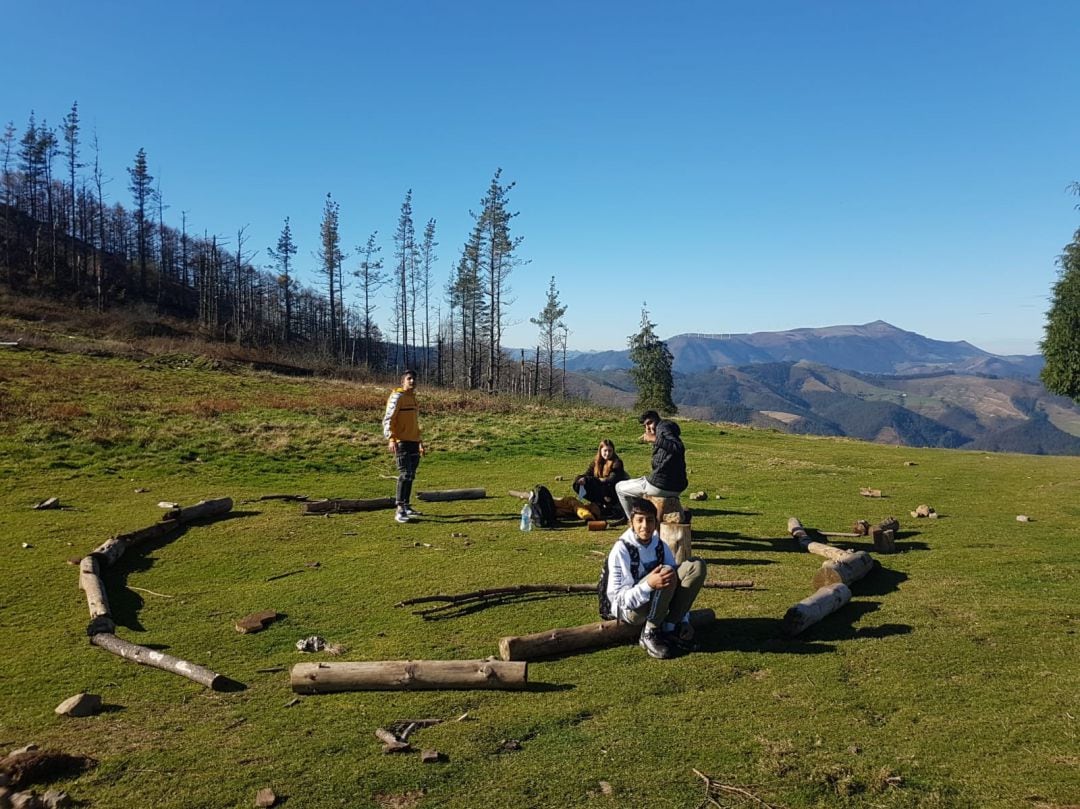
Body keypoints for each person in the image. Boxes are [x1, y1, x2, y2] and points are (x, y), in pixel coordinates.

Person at [600, 498, 706, 659]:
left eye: (649, 520)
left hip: (658, 601)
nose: (645, 526)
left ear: (655, 522)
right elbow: (618, 600)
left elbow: (676, 581)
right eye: (639, 521)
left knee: (696, 566)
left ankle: (672, 627)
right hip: (631, 611)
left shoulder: (659, 544)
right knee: (665, 572)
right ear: (631, 523)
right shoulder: (621, 550)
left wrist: (684, 618)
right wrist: (648, 585)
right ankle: (650, 632)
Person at [614, 410, 687, 522]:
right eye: (645, 425)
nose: (648, 428)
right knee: (636, 485)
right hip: (677, 486)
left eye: (650, 422)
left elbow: (678, 447)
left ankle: (633, 524)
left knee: (619, 487)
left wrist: (654, 439)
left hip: (661, 486)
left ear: (657, 419)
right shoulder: (667, 430)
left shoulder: (663, 427)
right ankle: (648, 517)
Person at [382, 369, 425, 524]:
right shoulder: (397, 397)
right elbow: (388, 419)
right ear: (403, 381)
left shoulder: (413, 399)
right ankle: (399, 509)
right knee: (405, 474)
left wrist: (420, 442)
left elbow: (415, 423)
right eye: (409, 379)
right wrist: (391, 438)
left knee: (411, 475)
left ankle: (406, 505)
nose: (412, 381)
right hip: (401, 442)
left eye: (414, 379)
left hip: (414, 442)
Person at [572, 439, 629, 517]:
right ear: (600, 450)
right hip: (602, 488)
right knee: (578, 483)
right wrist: (580, 479)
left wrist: (590, 480)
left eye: (610, 451)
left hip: (613, 490)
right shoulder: (596, 462)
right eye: (605, 451)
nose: (607, 453)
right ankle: (599, 503)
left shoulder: (617, 462)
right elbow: (587, 474)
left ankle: (611, 506)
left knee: (603, 485)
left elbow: (611, 480)